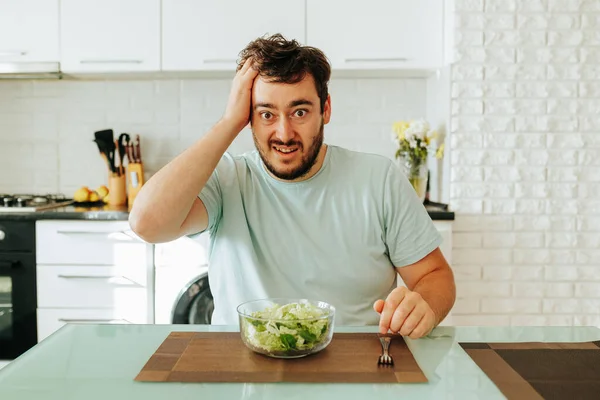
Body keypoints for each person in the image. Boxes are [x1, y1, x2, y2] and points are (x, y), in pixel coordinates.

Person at [129, 34, 455, 339]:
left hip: (357, 367)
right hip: (243, 369)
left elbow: (434, 276)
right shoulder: (226, 179)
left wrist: (423, 306)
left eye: (299, 111)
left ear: (325, 110)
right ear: (248, 117)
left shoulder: (378, 179)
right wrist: (229, 122)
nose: (284, 133)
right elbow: (147, 224)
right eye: (266, 114)